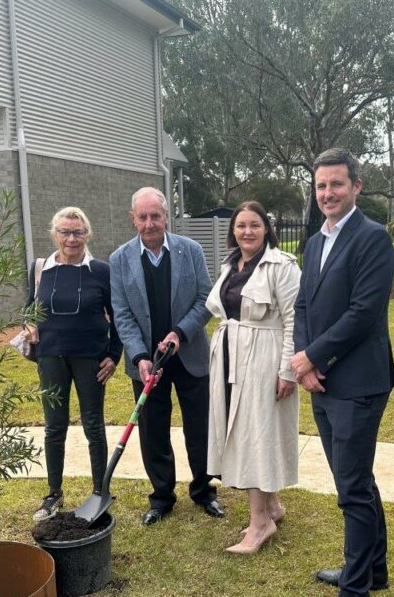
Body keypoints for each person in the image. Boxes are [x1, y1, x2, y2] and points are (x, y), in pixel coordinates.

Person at [291, 148, 394, 597]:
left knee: (352, 488)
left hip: (358, 383)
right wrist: (304, 360)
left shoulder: (373, 239)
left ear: (357, 186)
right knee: (355, 481)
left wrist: (313, 357)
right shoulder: (314, 242)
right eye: (320, 186)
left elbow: (363, 313)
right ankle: (372, 570)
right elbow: (303, 308)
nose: (327, 194)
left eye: (336, 184)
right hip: (322, 381)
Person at [109, 187, 224, 525]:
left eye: (155, 216)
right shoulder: (119, 259)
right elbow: (122, 314)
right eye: (142, 217)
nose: (149, 223)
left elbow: (206, 298)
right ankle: (161, 497)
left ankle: (205, 491)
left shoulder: (191, 251)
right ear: (133, 219)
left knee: (199, 428)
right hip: (148, 364)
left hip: (189, 353)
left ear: (166, 217)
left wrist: (180, 332)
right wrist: (139, 356)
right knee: (153, 429)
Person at [206, 201, 301, 554]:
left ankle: (260, 524)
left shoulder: (282, 265)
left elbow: (295, 319)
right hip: (231, 354)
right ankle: (272, 505)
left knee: (255, 434)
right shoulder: (231, 265)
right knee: (243, 431)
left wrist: (288, 370)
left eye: (255, 225)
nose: (247, 231)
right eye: (241, 225)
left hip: (264, 356)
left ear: (266, 228)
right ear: (233, 229)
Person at [26, 207, 122, 522]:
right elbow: (30, 308)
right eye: (65, 232)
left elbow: (117, 315)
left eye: (78, 232)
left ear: (87, 235)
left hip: (90, 358)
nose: (71, 238)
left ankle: (99, 490)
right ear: (55, 234)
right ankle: (53, 494)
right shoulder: (41, 268)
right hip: (51, 357)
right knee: (54, 427)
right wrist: (28, 324)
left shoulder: (100, 271)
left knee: (94, 425)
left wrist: (114, 353)